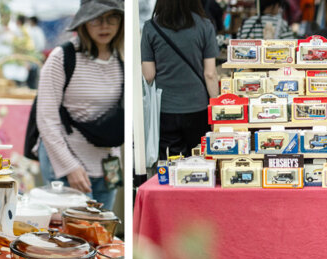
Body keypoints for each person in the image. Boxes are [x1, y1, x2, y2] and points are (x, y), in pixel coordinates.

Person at [36, 0, 123, 210]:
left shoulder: (122, 58)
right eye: (96, 19)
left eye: (112, 17)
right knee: (76, 235)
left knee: (103, 233)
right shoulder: (62, 57)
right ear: (84, 22)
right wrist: (69, 167)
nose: (105, 25)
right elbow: (46, 119)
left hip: (108, 163)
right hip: (68, 158)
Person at [142, 0, 219, 159]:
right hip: (198, 106)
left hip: (165, 108)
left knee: (171, 162)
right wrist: (216, 106)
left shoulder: (151, 27)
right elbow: (210, 74)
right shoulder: (205, 26)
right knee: (200, 160)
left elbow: (148, 75)